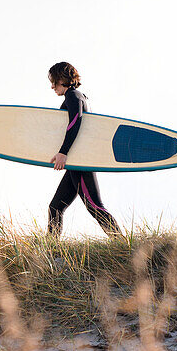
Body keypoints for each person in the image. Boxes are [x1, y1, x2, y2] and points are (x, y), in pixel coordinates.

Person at [46, 62, 122, 239]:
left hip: (80, 161)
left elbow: (75, 121)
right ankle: (50, 248)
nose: (52, 86)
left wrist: (63, 152)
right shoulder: (74, 97)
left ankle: (121, 242)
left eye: (54, 81)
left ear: (62, 79)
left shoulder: (73, 96)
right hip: (76, 162)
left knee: (94, 205)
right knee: (55, 206)